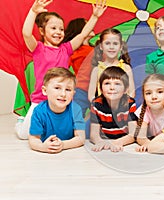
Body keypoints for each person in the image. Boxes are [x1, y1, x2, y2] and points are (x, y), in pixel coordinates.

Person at [16, 0, 107, 140]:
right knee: (24, 135)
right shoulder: (38, 49)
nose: (58, 32)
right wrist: (33, 11)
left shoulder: (66, 50)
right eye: (53, 28)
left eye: (61, 29)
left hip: (61, 99)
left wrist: (95, 16)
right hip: (41, 99)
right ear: (42, 31)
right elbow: (26, 34)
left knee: (65, 133)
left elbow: (82, 35)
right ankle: (21, 121)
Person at [28, 67, 85, 153]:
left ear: (73, 94)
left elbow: (81, 138)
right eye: (57, 88)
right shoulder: (39, 111)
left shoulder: (75, 109)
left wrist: (63, 145)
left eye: (68, 90)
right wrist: (43, 147)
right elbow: (33, 139)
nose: (63, 94)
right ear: (44, 90)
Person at [115, 74, 164, 152]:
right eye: (148, 93)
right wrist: (149, 144)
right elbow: (140, 137)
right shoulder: (145, 109)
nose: (154, 96)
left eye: (160, 92)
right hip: (153, 141)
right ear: (144, 97)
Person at [89, 66, 138, 152]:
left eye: (117, 84)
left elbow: (133, 134)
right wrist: (100, 142)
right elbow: (93, 134)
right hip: (105, 140)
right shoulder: (96, 104)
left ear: (126, 89)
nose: (112, 87)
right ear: (101, 89)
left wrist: (116, 143)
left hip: (124, 142)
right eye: (107, 83)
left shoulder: (130, 103)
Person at [88, 28, 135, 102]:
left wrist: (124, 106)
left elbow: (131, 92)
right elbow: (91, 95)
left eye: (115, 44)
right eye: (107, 43)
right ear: (101, 46)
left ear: (121, 46)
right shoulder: (97, 70)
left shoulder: (126, 68)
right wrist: (99, 107)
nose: (111, 47)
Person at [62, 18, 95, 118]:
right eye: (87, 24)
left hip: (95, 90)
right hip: (81, 90)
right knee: (76, 118)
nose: (91, 26)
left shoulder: (95, 49)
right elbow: (63, 66)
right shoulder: (75, 51)